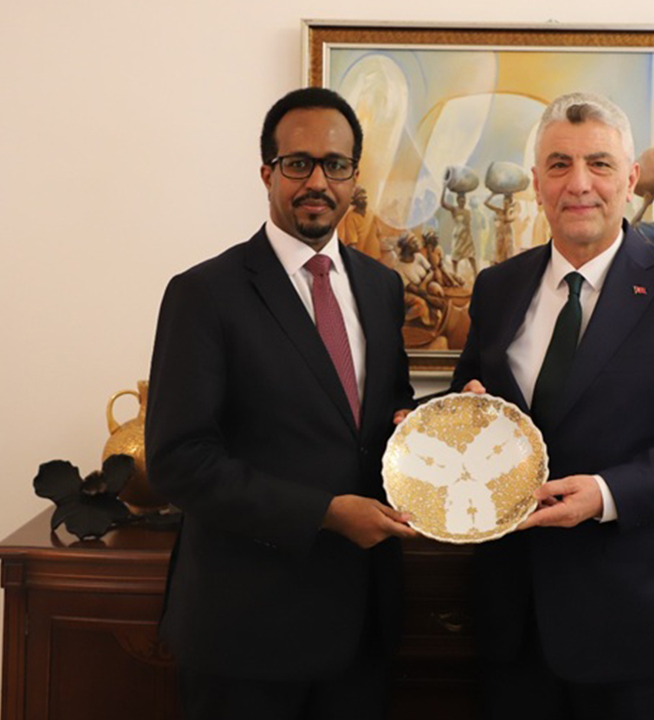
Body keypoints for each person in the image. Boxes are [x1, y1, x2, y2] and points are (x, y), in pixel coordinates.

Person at [453, 92, 654, 720]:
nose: (579, 183)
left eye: (599, 163)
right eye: (559, 165)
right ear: (537, 183)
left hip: (641, 625)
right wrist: (446, 424)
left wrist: (606, 493)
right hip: (516, 624)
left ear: (631, 178)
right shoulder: (497, 287)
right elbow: (473, 402)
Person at [145, 87, 418, 720]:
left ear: (354, 177)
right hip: (245, 633)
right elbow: (179, 461)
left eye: (335, 164)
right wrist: (324, 513)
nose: (317, 181)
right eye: (298, 163)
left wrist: (431, 428)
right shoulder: (204, 294)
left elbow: (386, 409)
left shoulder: (381, 287)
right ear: (267, 172)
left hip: (362, 629)